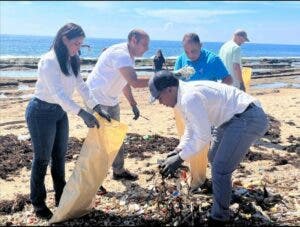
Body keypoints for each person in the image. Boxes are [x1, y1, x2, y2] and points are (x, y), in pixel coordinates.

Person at [148, 70, 268, 224]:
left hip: (248, 117)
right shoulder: (181, 97)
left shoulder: (189, 98)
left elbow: (203, 137)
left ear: (170, 89)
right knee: (213, 157)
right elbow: (191, 129)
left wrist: (180, 158)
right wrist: (177, 150)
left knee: (220, 167)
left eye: (159, 97)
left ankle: (219, 218)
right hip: (230, 119)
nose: (160, 102)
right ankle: (223, 194)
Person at [25, 23, 111, 220]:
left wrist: (96, 107)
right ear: (64, 39)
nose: (78, 48)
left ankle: (61, 198)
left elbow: (82, 85)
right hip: (41, 112)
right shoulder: (49, 61)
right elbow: (58, 94)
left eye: (81, 44)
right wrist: (82, 113)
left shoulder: (73, 58)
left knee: (59, 158)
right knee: (42, 159)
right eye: (76, 43)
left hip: (60, 113)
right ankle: (38, 204)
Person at [86, 29, 150, 190]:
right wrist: (163, 79)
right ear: (133, 40)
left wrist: (133, 104)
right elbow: (134, 82)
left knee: (117, 135)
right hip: (97, 100)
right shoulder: (121, 54)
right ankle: (94, 180)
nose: (147, 48)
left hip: (111, 99)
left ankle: (118, 171)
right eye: (144, 44)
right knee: (99, 142)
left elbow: (125, 82)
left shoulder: (129, 57)